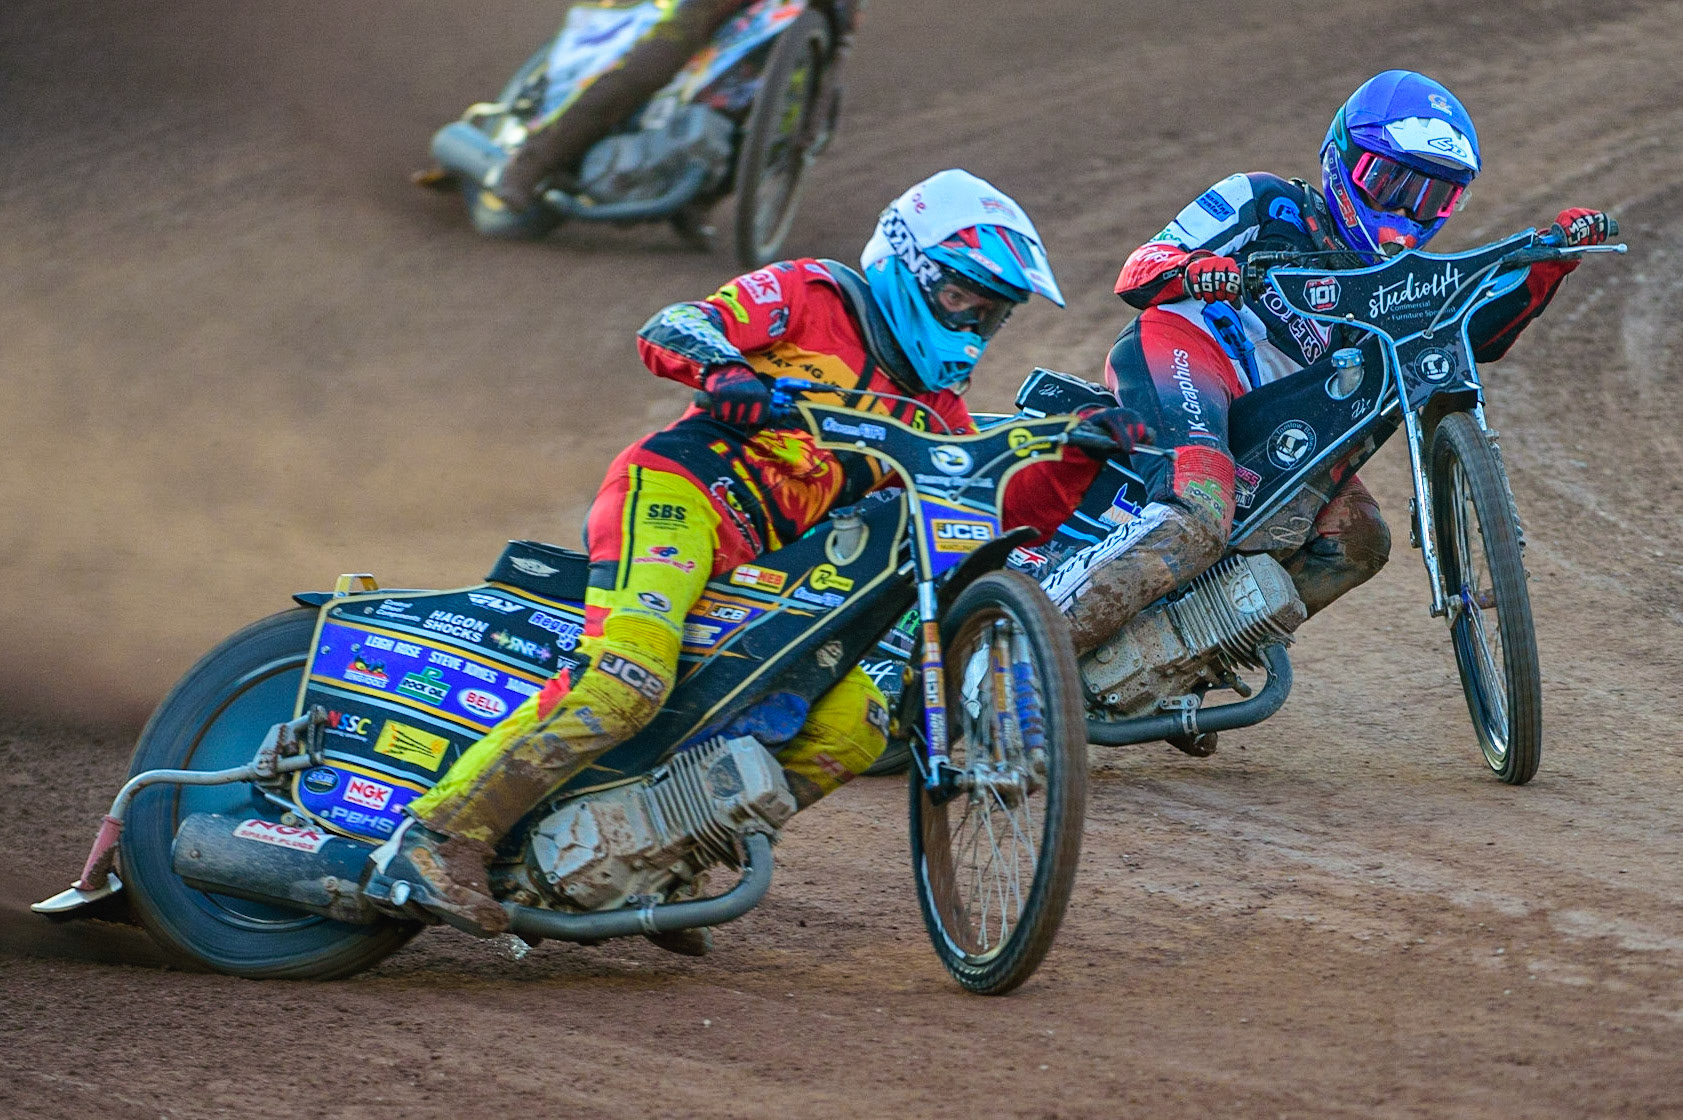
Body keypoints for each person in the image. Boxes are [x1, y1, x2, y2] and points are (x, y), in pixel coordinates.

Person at [369, 169, 1136, 939]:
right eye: (962, 297)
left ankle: (667, 851)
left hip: (771, 566)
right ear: (911, 267)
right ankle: (437, 838)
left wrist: (1084, 457)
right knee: (625, 682)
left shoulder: (938, 413)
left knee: (853, 727)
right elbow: (675, 323)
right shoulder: (811, 293)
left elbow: (996, 509)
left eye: (991, 312)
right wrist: (726, 371)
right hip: (679, 496)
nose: (973, 325)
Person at [1058, 69, 1615, 754]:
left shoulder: (1399, 284)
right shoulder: (1262, 200)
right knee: (1199, 512)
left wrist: (1547, 263)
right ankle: (1025, 668)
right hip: (1187, 353)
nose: (1406, 211)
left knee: (1359, 539)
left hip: (1283, 422)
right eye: (1391, 185)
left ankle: (1183, 669)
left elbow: (1479, 335)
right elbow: (1138, 268)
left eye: (1429, 196)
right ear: (1340, 159)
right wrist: (1198, 268)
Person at [489, 0, 862, 212]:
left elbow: (836, 51)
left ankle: (694, 199)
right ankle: (530, 162)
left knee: (757, 102)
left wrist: (806, 136)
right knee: (658, 60)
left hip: (798, 24)